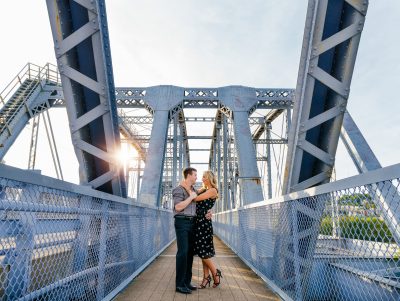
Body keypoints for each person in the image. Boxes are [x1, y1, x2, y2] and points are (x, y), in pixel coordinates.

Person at [172, 167, 211, 294]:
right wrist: (190, 198)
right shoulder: (178, 189)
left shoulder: (193, 190)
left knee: (190, 254)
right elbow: (178, 207)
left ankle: (187, 282)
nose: (196, 177)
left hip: (193, 223)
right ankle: (179, 284)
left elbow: (203, 202)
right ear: (188, 176)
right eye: (195, 175)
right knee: (182, 253)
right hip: (182, 222)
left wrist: (209, 212)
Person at [193, 170, 223, 288]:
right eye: (202, 177)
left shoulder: (212, 190)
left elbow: (195, 198)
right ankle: (206, 277)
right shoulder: (204, 189)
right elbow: (193, 192)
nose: (202, 179)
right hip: (199, 221)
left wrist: (193, 194)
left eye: (204, 177)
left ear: (209, 178)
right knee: (203, 251)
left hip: (204, 223)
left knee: (203, 251)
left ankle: (216, 274)